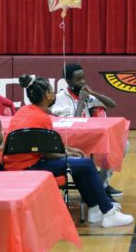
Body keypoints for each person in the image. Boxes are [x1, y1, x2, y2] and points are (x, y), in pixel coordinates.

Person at [3, 75, 133, 228]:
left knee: (79, 164)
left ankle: (94, 208)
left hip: (16, 163)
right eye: (51, 91)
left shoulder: (24, 111)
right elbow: (48, 154)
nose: (53, 94)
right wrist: (67, 154)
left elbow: (42, 147)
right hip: (31, 166)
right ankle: (108, 212)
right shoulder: (42, 118)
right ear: (46, 95)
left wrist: (68, 151)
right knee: (85, 164)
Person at [51, 63, 124, 199]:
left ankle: (102, 185)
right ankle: (97, 190)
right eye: (78, 79)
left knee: (121, 143)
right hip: (72, 142)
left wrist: (93, 93)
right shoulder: (60, 99)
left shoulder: (87, 94)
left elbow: (112, 104)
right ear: (68, 81)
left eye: (83, 77)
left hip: (90, 138)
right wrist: (81, 103)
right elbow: (73, 124)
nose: (83, 81)